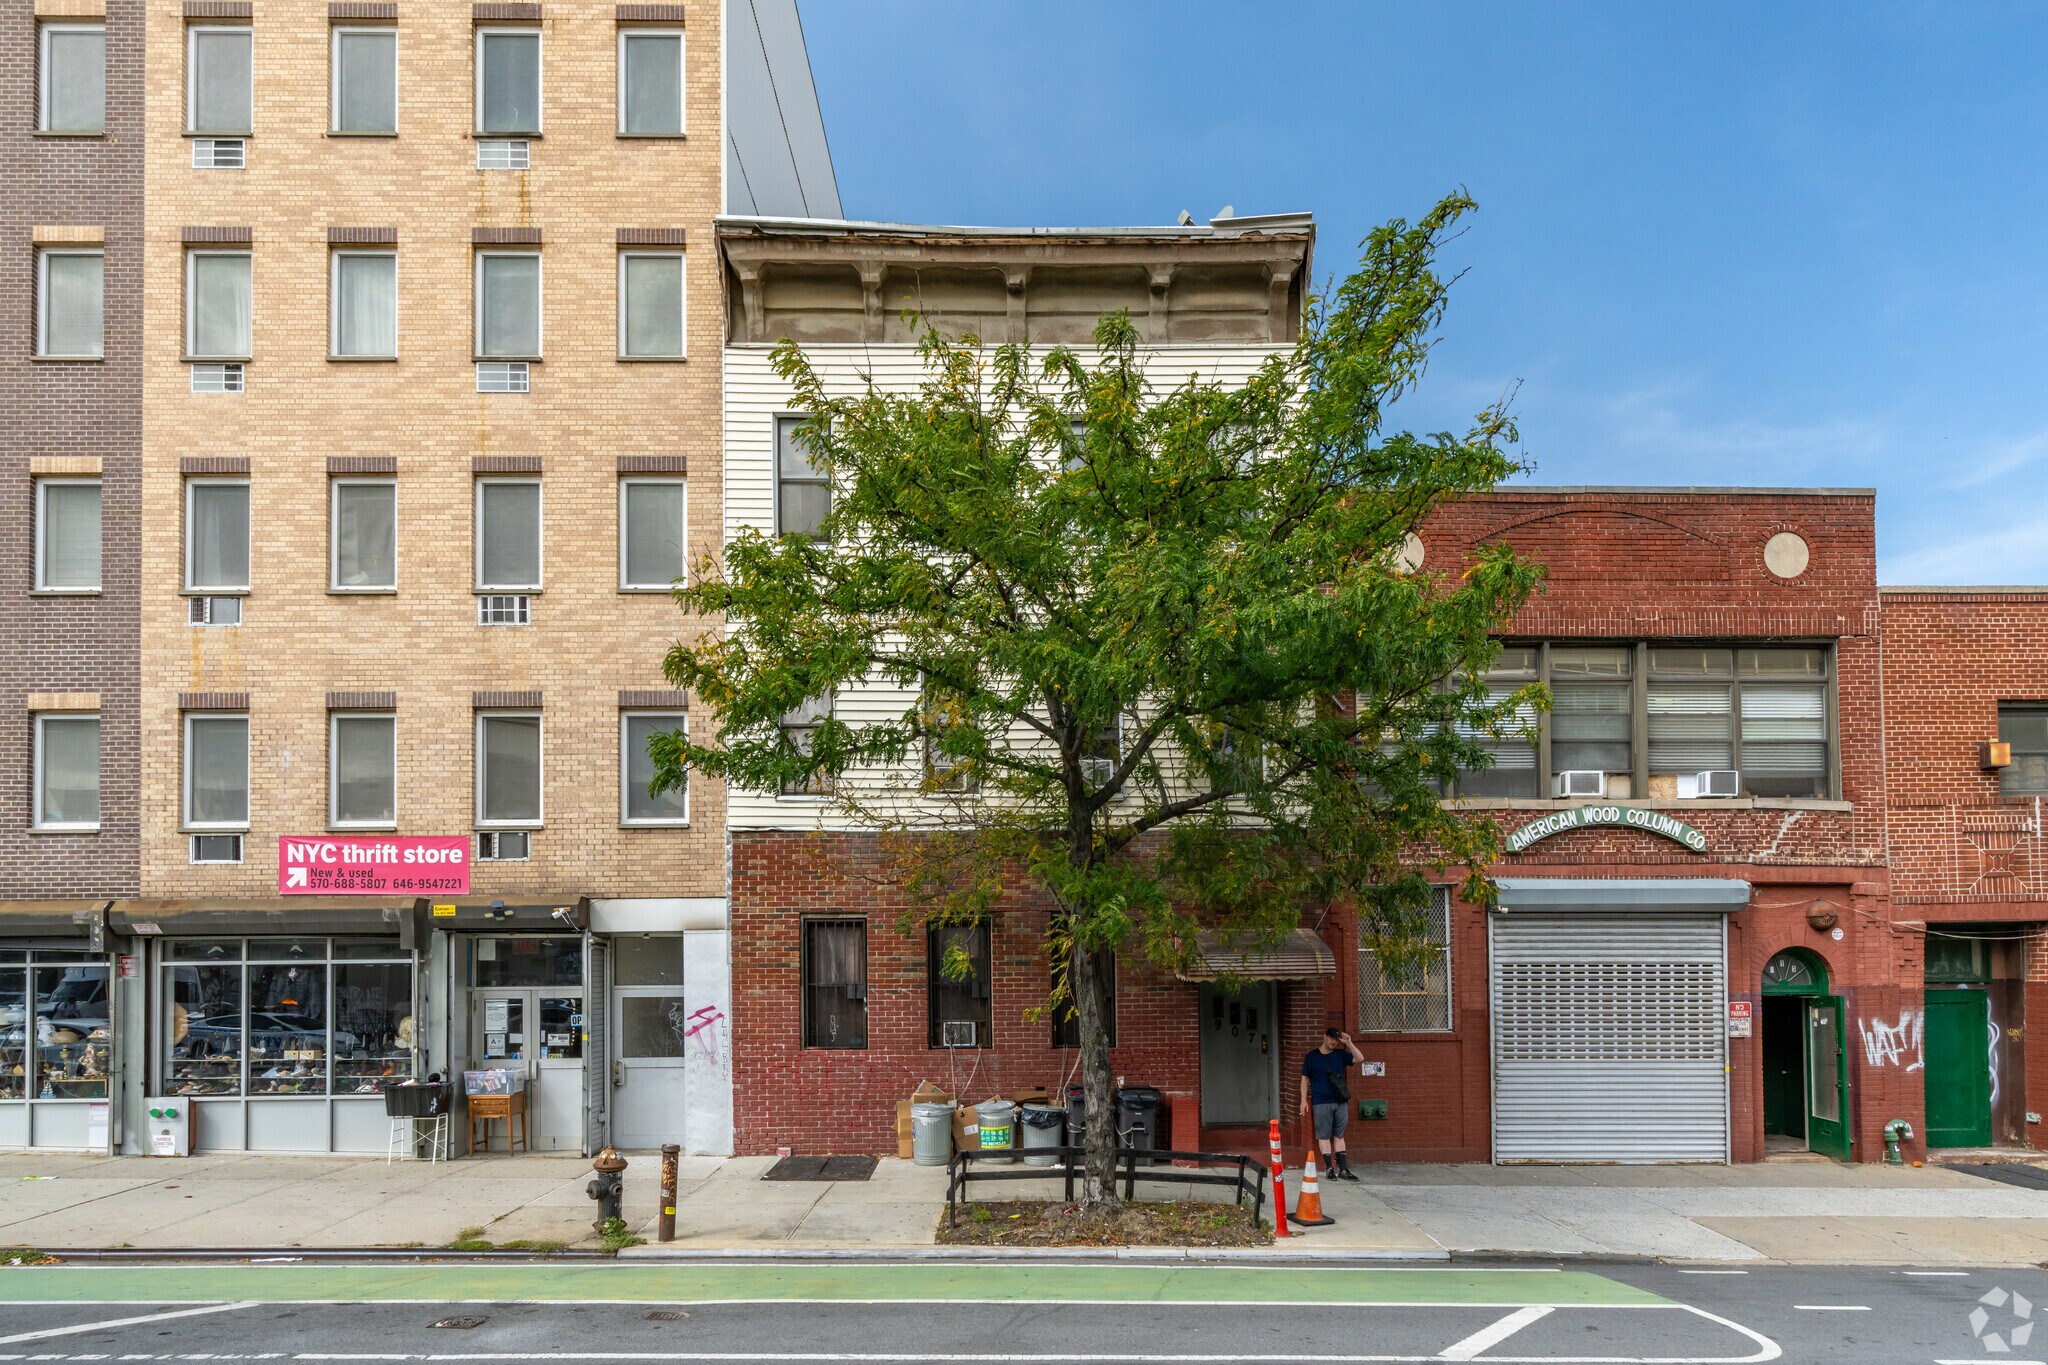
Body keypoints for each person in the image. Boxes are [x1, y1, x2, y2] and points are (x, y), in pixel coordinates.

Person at [1299, 1026, 1364, 1180]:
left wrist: (1349, 1043)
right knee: (1324, 1136)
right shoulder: (1312, 1057)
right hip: (1321, 1101)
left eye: (1336, 1039)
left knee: (1339, 1136)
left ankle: (1343, 1169)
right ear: (1325, 1037)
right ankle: (1329, 1168)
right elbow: (1305, 1079)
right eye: (1332, 1038)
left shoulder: (1340, 1055)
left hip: (1340, 1101)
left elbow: (1360, 1058)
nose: (1334, 1042)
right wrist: (1303, 1100)